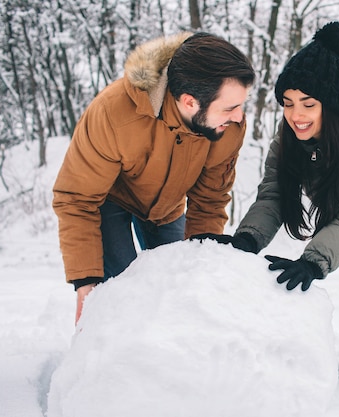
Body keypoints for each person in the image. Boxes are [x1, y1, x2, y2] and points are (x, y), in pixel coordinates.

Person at [204, 21, 339, 382]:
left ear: (330, 104)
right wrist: (247, 240)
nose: (296, 115)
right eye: (288, 103)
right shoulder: (288, 137)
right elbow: (274, 194)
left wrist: (312, 262)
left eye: (308, 103)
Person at [52, 31, 255, 324]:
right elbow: (77, 198)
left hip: (167, 207)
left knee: (180, 285)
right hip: (109, 201)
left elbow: (209, 200)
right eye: (229, 107)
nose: (238, 117)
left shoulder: (227, 126)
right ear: (189, 103)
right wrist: (86, 282)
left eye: (240, 105)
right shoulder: (113, 113)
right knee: (123, 291)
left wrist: (201, 265)